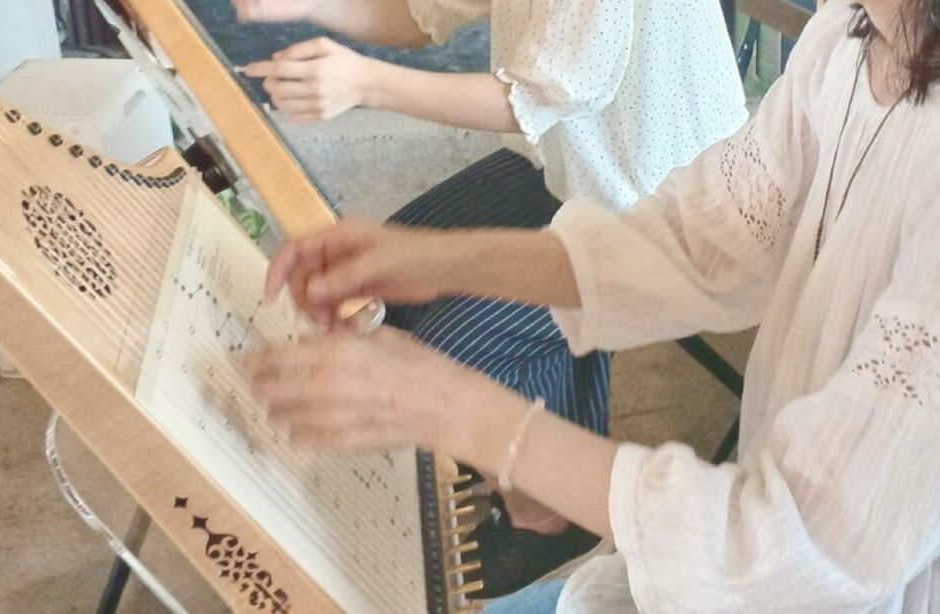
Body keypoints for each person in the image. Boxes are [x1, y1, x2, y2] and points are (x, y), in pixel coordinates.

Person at [245, 0, 940, 610]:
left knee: (439, 356)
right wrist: (431, 260)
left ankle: (547, 516)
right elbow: (702, 236)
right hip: (579, 183)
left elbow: (794, 549)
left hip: (796, 580)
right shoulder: (847, 37)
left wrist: (463, 414)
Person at [231, 0, 748, 593]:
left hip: (667, 201)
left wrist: (365, 82)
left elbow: (540, 95)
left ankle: (549, 514)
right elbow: (422, 15)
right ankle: (537, 455)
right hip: (574, 170)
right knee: (380, 288)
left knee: (443, 350)